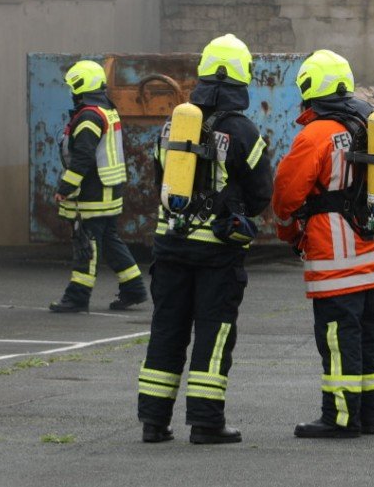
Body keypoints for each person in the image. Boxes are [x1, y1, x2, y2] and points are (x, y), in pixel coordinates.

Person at [136, 34, 273, 445]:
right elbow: (261, 193)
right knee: (213, 333)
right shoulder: (243, 132)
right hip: (217, 253)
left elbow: (160, 181)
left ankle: (153, 422)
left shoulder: (172, 126)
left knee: (167, 330)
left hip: (170, 246)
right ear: (240, 79)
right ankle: (206, 422)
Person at [272, 49, 374, 439]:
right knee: (368, 340)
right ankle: (369, 416)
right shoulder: (369, 125)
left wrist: (288, 231)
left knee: (338, 342)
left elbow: (286, 194)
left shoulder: (317, 134)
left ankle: (339, 418)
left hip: (335, 263)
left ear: (310, 87)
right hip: (370, 255)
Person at [49, 60, 148, 314]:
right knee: (109, 240)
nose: (72, 93)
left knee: (86, 242)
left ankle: (77, 297)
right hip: (110, 189)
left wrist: (65, 187)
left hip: (94, 193)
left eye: (73, 87)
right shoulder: (106, 110)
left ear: (81, 87)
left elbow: (83, 157)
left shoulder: (89, 116)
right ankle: (134, 288)